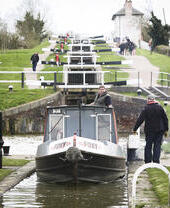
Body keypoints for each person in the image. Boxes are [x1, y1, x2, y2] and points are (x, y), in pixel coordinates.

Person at [133, 95, 168, 164]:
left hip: (149, 131)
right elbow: (165, 119)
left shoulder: (146, 109)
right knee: (157, 146)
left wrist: (135, 129)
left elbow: (140, 120)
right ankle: (156, 161)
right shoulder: (160, 107)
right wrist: (166, 129)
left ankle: (148, 161)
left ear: (148, 100)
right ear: (154, 100)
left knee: (148, 146)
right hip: (159, 130)